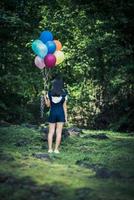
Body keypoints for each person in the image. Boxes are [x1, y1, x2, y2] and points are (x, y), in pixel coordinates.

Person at [44, 76, 67, 154]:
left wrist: (45, 98)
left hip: (52, 113)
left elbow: (48, 105)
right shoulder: (64, 94)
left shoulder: (49, 93)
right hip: (61, 114)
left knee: (51, 132)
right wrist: (66, 118)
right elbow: (65, 107)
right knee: (59, 132)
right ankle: (56, 149)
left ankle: (50, 149)